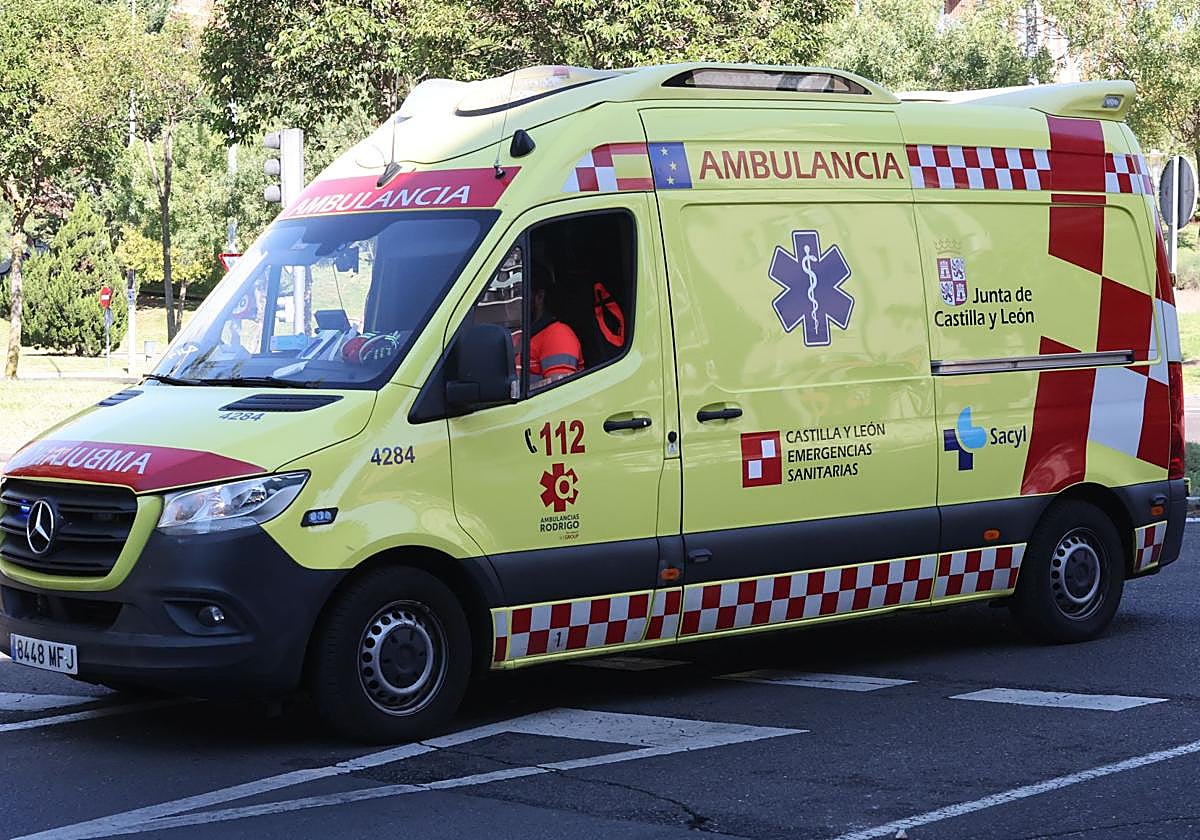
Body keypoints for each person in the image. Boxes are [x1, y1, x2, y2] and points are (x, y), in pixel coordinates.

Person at [528, 260, 583, 388]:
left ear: (539, 297)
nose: (514, 302)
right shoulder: (520, 335)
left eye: (520, 294)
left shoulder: (557, 335)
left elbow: (558, 392)